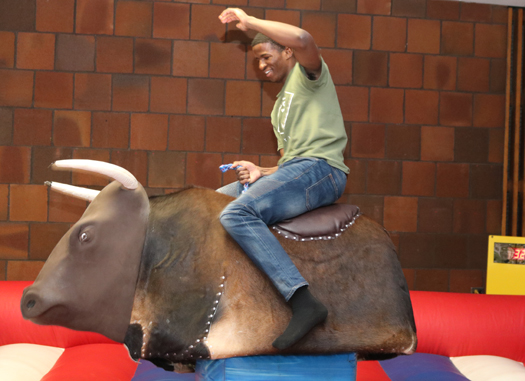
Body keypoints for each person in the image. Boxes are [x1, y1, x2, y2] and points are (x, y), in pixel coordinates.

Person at [217, 8, 349, 350]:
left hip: (324, 171)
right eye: (256, 62)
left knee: (237, 213)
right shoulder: (278, 108)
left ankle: (303, 301)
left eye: (266, 56)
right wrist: (262, 171)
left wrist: (249, 23)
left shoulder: (309, 75)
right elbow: (291, 163)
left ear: (286, 51)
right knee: (215, 203)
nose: (262, 66)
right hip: (300, 169)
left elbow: (304, 39)